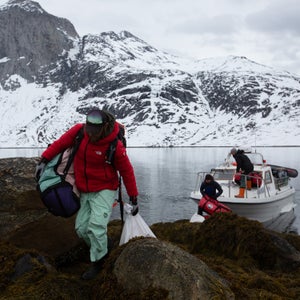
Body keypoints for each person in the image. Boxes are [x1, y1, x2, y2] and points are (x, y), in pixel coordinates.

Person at [35, 109, 138, 280]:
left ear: (104, 128)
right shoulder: (79, 132)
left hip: (105, 189)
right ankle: (104, 247)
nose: (90, 134)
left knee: (96, 227)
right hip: (84, 189)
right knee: (81, 228)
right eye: (88, 129)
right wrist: (44, 160)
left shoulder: (115, 146)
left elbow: (127, 171)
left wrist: (133, 196)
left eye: (94, 131)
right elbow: (60, 143)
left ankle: (99, 264)